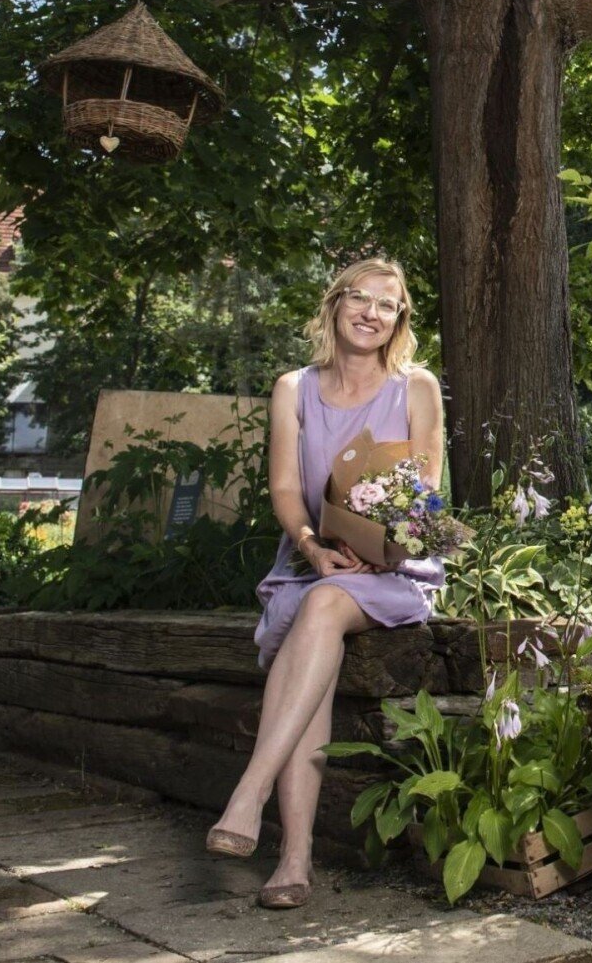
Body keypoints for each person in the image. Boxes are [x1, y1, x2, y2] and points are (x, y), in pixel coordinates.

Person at [205, 258, 445, 908]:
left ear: (399, 321)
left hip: (395, 564)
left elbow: (426, 491)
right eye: (359, 298)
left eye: (387, 305)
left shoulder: (416, 387)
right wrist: (313, 545)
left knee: (322, 612)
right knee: (318, 614)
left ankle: (256, 804)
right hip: (311, 562)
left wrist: (383, 539)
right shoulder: (293, 388)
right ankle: (291, 860)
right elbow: (285, 487)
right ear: (336, 306)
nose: (371, 312)